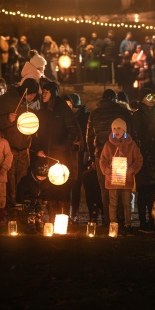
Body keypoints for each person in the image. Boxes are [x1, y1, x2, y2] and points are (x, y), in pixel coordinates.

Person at [33, 80, 81, 220]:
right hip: (46, 155)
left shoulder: (63, 110)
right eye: (43, 92)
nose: (43, 95)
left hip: (61, 156)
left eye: (46, 92)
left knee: (62, 187)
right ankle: (52, 218)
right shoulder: (43, 110)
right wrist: (39, 148)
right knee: (49, 187)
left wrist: (63, 146)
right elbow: (38, 133)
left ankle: (64, 218)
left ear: (52, 94)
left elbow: (72, 130)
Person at [86, 88, 134, 227]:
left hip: (101, 154)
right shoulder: (123, 112)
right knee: (120, 187)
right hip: (121, 154)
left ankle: (108, 220)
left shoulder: (94, 114)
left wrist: (92, 156)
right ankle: (121, 219)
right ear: (115, 99)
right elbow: (131, 133)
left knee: (105, 188)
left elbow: (89, 137)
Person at [0, 77, 42, 212]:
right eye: (30, 94)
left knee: (23, 178)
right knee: (9, 179)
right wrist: (7, 119)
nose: (31, 97)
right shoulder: (8, 99)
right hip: (10, 147)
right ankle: (9, 206)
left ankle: (20, 205)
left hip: (24, 147)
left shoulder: (33, 103)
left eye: (34, 95)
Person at [131, 87, 155, 233]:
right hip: (142, 156)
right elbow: (136, 136)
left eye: (153, 96)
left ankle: (154, 220)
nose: (152, 99)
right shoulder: (137, 115)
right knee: (143, 190)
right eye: (148, 96)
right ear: (142, 99)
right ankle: (142, 221)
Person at [99, 118, 143, 236]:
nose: (116, 130)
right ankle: (113, 225)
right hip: (112, 178)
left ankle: (128, 224)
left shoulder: (131, 145)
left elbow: (139, 159)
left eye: (119, 128)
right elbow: (102, 160)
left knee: (126, 202)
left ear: (124, 130)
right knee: (113, 203)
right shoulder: (108, 145)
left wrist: (131, 170)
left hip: (126, 179)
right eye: (114, 128)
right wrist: (107, 170)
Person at [65, 92, 90, 224]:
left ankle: (74, 213)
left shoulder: (84, 116)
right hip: (68, 153)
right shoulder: (65, 116)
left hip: (80, 154)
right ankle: (67, 212)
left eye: (70, 104)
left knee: (76, 184)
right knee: (67, 183)